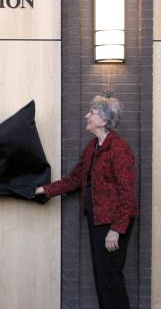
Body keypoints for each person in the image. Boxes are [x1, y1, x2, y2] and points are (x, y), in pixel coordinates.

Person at [35, 94, 138, 309]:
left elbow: (127, 192)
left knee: (111, 278)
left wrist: (117, 229)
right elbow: (75, 178)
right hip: (97, 220)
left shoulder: (119, 149)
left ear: (103, 120)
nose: (86, 116)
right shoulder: (93, 147)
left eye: (91, 113)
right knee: (102, 278)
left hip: (113, 224)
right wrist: (46, 189)